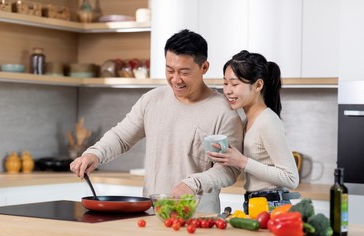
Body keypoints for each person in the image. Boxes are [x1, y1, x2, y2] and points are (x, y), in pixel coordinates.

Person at [70, 29, 244, 213]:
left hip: (197, 219)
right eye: (170, 70)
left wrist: (192, 184)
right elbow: (121, 137)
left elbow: (228, 170)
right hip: (152, 215)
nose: (176, 79)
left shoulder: (224, 112)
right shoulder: (152, 100)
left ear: (204, 67)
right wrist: (94, 154)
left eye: (184, 72)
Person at [207, 50, 300, 213]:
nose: (228, 91)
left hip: (272, 207)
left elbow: (291, 178)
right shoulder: (246, 121)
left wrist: (242, 161)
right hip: (255, 205)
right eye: (225, 83)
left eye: (234, 84)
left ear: (258, 85)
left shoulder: (267, 121)